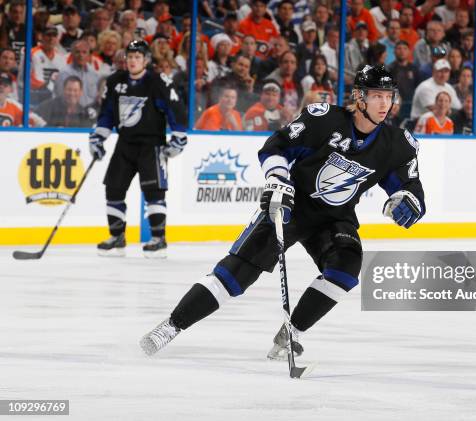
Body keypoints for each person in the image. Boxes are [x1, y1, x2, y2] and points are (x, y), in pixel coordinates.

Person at [139, 64, 426, 360]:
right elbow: (276, 147)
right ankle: (172, 325)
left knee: (346, 267)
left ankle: (292, 332)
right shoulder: (324, 120)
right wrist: (277, 179)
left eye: (388, 96)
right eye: (376, 96)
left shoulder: (397, 145)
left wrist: (408, 199)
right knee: (236, 275)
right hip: (292, 206)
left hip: (335, 218)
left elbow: (411, 185)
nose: (384, 103)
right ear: (359, 97)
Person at [88, 40, 188, 258]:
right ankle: (117, 237)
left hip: (152, 146)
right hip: (124, 144)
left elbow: (175, 109)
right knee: (113, 188)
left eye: (137, 57)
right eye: (130, 56)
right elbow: (107, 113)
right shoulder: (115, 81)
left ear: (146, 60)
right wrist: (98, 138)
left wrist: (178, 137)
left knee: (154, 192)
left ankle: (158, 239)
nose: (132, 61)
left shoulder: (158, 81)